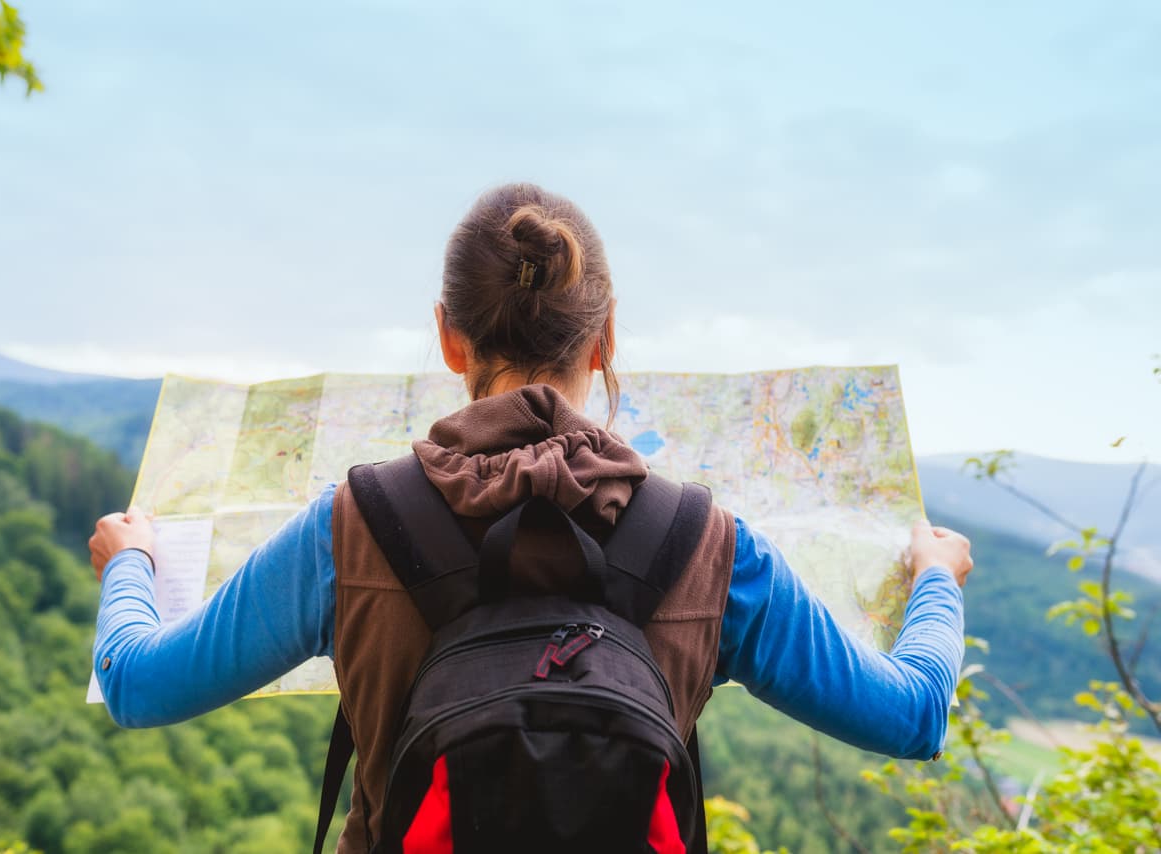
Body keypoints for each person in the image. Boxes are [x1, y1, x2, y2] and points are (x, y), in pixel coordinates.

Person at [89, 183, 972, 853]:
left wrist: (131, 560)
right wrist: (935, 577)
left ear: (449, 337)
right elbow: (912, 714)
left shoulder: (350, 530)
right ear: (606, 338)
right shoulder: (711, 548)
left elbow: (138, 683)